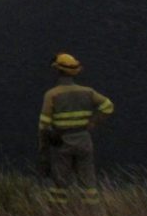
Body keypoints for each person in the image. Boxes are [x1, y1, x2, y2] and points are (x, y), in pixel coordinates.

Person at [41, 52, 115, 206]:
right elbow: (108, 106)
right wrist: (93, 122)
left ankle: (58, 214)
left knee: (60, 183)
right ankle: (91, 214)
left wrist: (44, 149)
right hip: (83, 140)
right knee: (88, 182)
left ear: (57, 71)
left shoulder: (52, 95)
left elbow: (43, 126)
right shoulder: (87, 92)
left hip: (62, 142)